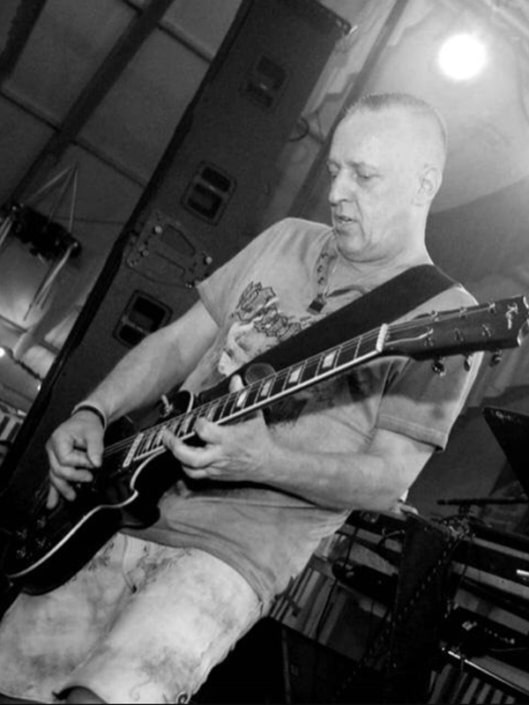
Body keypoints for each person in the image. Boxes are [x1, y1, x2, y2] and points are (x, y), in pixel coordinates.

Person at [0, 92, 482, 704]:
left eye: (364, 176)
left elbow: (388, 481)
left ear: (424, 184)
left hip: (230, 556)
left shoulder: (444, 317)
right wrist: (94, 411)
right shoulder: (286, 239)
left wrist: (265, 461)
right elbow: (178, 344)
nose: (337, 192)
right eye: (335, 169)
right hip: (113, 507)